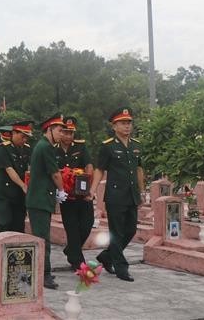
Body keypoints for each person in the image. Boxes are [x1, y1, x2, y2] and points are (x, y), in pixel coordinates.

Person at [88, 107, 144, 282]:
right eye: (123, 123)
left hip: (132, 195)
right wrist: (93, 189)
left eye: (129, 123)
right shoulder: (108, 146)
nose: (127, 126)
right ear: (114, 126)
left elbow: (139, 169)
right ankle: (121, 268)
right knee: (117, 232)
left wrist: (141, 191)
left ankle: (106, 256)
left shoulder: (136, 145)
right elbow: (99, 169)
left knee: (130, 230)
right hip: (115, 196)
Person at [26, 113, 68, 290]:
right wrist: (61, 190)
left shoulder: (43, 146)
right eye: (59, 130)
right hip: (40, 199)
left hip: (40, 198)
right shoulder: (46, 147)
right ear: (49, 130)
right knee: (43, 239)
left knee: (42, 237)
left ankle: (42, 270)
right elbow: (55, 173)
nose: (62, 134)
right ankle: (43, 274)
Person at [56, 116, 94, 270]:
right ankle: (78, 261)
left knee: (87, 224)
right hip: (66, 196)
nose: (68, 136)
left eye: (71, 133)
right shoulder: (53, 148)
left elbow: (89, 165)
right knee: (71, 227)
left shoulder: (81, 147)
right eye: (65, 132)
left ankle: (71, 249)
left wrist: (88, 185)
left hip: (82, 194)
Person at [0, 120, 32, 233]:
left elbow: (30, 167)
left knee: (19, 225)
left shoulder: (27, 149)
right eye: (22, 136)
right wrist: (23, 185)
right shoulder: (3, 149)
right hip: (5, 193)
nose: (24, 140)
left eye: (26, 137)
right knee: (4, 223)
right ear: (14, 133)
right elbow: (9, 169)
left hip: (19, 194)